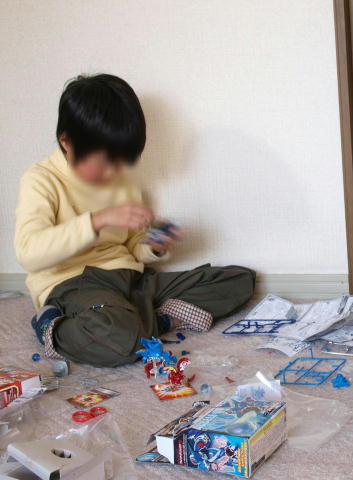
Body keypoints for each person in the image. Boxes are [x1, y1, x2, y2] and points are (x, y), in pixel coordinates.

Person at [15, 74, 255, 367]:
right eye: (102, 162)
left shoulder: (124, 183)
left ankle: (149, 320)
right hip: (76, 283)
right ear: (67, 142)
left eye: (119, 162)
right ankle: (52, 328)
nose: (111, 173)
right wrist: (96, 220)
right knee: (121, 339)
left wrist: (153, 245)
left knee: (238, 280)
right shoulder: (41, 180)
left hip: (131, 279)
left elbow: (131, 247)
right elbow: (29, 252)